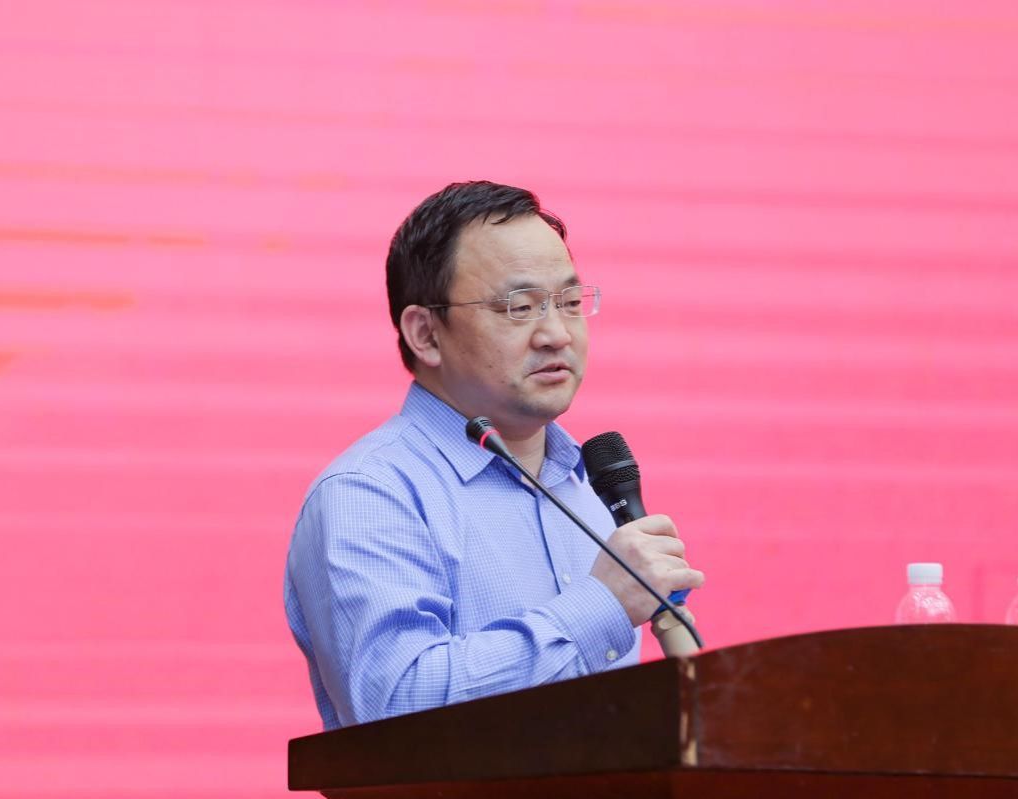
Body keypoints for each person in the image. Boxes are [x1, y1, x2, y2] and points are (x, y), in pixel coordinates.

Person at [283, 181, 704, 729]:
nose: (556, 334)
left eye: (570, 304)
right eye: (520, 307)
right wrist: (602, 605)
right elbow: (396, 705)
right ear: (425, 334)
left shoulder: (587, 490)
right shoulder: (369, 493)